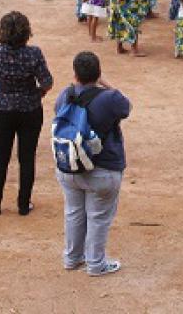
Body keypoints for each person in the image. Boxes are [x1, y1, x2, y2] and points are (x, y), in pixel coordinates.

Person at [54, 51, 130, 276]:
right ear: (98, 73)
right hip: (103, 168)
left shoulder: (65, 94)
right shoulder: (109, 98)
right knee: (98, 217)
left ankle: (72, 258)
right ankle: (96, 264)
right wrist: (105, 83)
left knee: (74, 213)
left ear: (75, 73)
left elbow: (57, 113)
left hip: (69, 165)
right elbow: (125, 106)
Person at [0, 12, 53, 216]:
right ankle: (23, 204)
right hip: (30, 109)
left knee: (0, 158)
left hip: (3, 110)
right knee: (27, 158)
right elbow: (47, 82)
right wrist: (38, 93)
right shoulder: (33, 53)